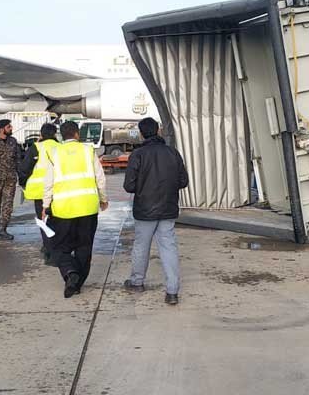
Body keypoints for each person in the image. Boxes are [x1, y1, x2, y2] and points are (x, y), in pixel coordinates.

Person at [123, 117, 188, 305]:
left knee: (141, 246)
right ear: (158, 131)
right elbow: (183, 181)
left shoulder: (138, 155)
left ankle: (137, 282)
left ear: (141, 133)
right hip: (168, 208)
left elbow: (129, 186)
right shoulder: (172, 153)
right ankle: (172, 291)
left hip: (145, 210)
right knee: (169, 247)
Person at [41, 121, 109, 298]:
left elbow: (48, 183)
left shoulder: (54, 153)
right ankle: (77, 283)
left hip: (63, 209)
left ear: (62, 136)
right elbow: (99, 178)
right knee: (84, 247)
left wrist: (45, 205)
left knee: (58, 246)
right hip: (87, 207)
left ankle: (70, 272)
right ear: (77, 134)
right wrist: (103, 200)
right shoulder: (88, 151)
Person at [19, 122, 61, 264]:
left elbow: (24, 169)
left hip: (40, 192)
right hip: (58, 191)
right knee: (58, 221)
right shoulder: (60, 148)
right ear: (55, 134)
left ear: (41, 134)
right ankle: (58, 249)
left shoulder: (35, 148)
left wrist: (23, 183)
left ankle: (49, 252)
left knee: (44, 222)